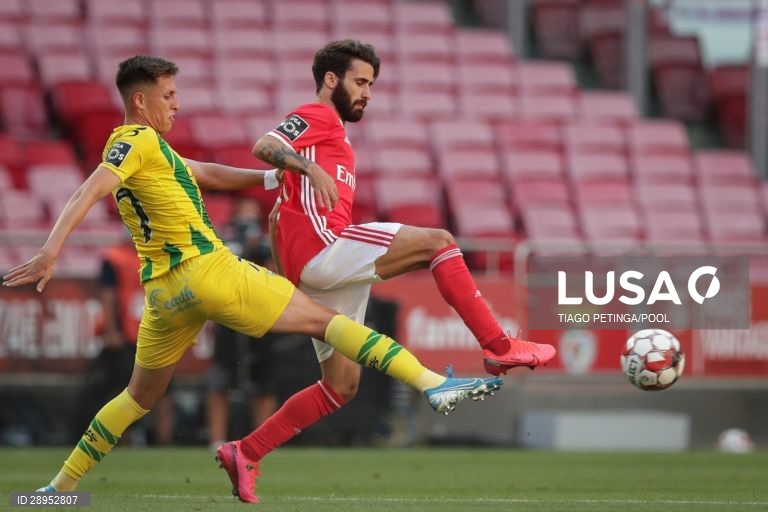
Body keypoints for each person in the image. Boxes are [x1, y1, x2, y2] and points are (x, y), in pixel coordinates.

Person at [1, 55, 503, 504]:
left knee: (137, 396)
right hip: (208, 271)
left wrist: (273, 178)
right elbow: (92, 187)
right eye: (168, 95)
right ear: (140, 99)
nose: (176, 104)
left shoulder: (155, 153)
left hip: (165, 294)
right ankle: (433, 383)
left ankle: (57, 491)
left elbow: (207, 173)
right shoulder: (136, 139)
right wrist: (50, 250)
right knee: (327, 321)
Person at [245, 39, 558, 474]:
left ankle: (245, 452)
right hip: (326, 248)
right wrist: (308, 167)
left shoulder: (336, 133)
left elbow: (282, 207)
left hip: (319, 269)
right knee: (439, 241)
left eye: (371, 84)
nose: (367, 93)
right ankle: (498, 346)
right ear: (331, 80)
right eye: (360, 82)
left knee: (341, 386)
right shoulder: (317, 115)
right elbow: (264, 145)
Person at [75, 237, 175, 446]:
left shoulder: (162, 253)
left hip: (157, 332)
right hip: (129, 334)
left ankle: (165, 442)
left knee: (164, 391)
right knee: (124, 390)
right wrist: (111, 331)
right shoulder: (116, 258)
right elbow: (108, 295)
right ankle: (122, 441)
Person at [206, 197, 284, 449]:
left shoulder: (265, 242)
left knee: (264, 383)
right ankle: (216, 439)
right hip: (228, 316)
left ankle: (263, 440)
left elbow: (277, 274)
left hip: (260, 316)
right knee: (221, 382)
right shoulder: (223, 241)